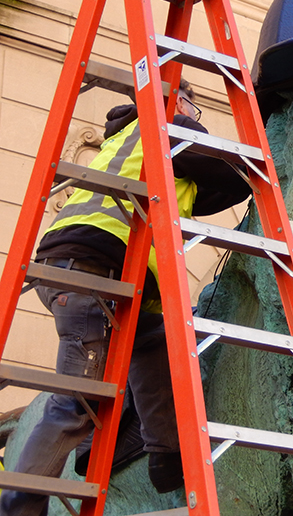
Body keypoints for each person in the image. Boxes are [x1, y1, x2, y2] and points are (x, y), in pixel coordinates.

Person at [1, 80, 251, 516]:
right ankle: (19, 508)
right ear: (178, 102)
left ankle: (166, 457)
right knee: (76, 402)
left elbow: (222, 187)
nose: (197, 120)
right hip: (91, 270)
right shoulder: (163, 126)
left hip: (94, 269)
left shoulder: (141, 146)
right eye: (194, 109)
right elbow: (233, 175)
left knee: (150, 338)